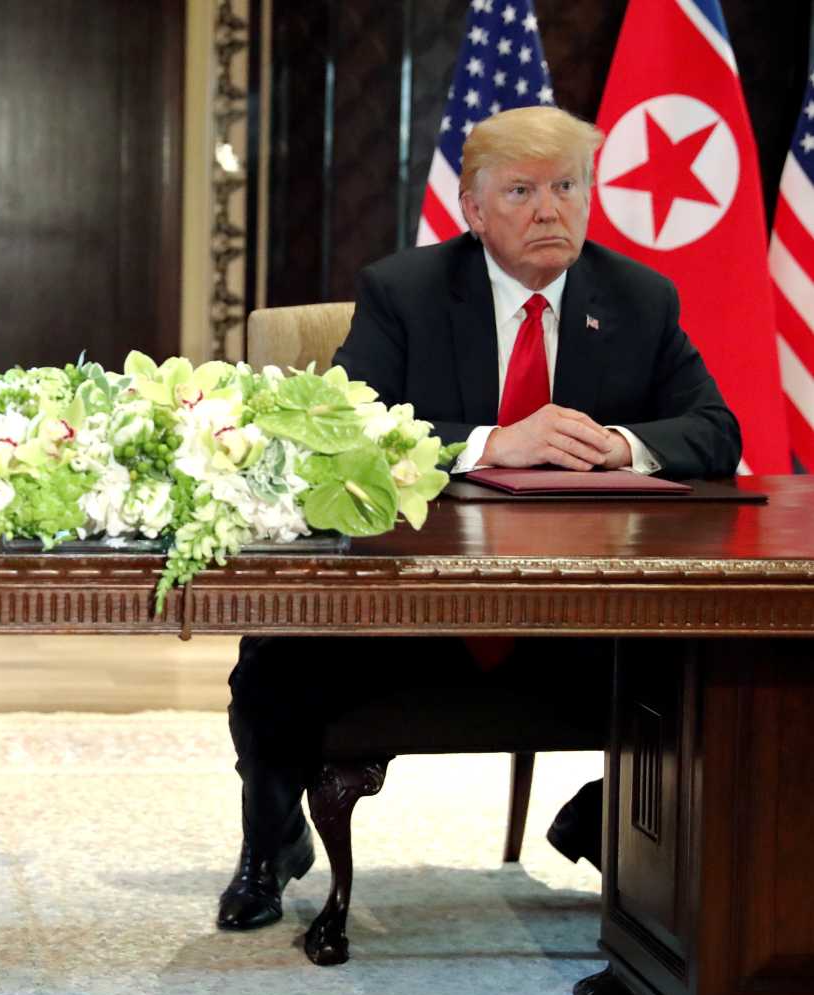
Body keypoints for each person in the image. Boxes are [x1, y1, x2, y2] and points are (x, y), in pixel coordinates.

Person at [217, 105, 741, 932]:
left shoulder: (639, 298)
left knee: (730, 670)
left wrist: (619, 444)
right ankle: (273, 843)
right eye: (523, 190)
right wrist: (500, 440)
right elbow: (345, 425)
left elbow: (715, 430)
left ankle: (606, 820)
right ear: (473, 207)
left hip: (586, 619)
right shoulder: (405, 291)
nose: (549, 209)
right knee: (275, 653)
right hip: (418, 606)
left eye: (567, 186)